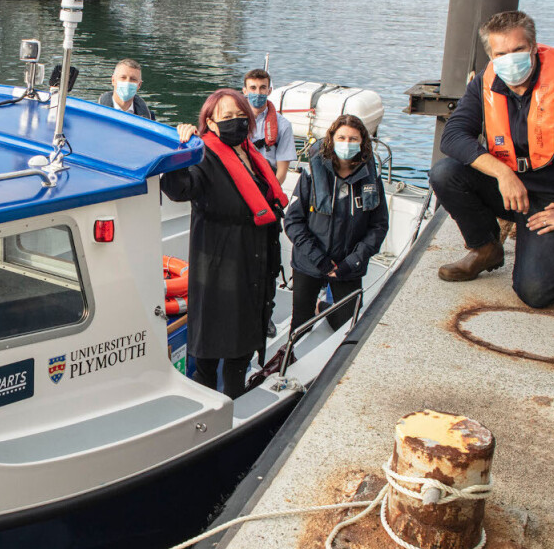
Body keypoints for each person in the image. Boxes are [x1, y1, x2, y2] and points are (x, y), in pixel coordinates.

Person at [430, 10, 554, 307]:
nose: (510, 59)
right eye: (501, 53)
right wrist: (502, 173)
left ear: (534, 48)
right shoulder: (485, 83)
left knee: (535, 294)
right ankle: (485, 248)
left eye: (519, 50)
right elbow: (454, 136)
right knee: (445, 173)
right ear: (491, 56)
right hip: (510, 189)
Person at [162, 89, 287, 399]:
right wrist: (179, 149)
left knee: (242, 349)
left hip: (254, 263)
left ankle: (236, 398)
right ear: (211, 123)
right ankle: (212, 412)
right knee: (210, 351)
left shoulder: (252, 155)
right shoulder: (204, 156)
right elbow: (179, 188)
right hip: (220, 266)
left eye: (240, 115)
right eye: (226, 117)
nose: (236, 121)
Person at [284, 115, 389, 335]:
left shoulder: (372, 178)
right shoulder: (312, 174)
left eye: (353, 139)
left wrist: (353, 261)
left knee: (348, 324)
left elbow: (378, 227)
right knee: (302, 323)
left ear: (362, 142)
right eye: (342, 137)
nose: (347, 143)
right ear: (332, 139)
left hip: (349, 265)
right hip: (311, 261)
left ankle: (324, 308)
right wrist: (319, 260)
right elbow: (293, 221)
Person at [243, 69, 296, 185]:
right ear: (245, 91)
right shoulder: (234, 120)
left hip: (266, 179)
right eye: (253, 88)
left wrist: (272, 193)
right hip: (240, 176)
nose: (258, 92)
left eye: (262, 87)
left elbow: (282, 170)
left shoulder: (283, 125)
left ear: (269, 91)